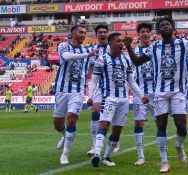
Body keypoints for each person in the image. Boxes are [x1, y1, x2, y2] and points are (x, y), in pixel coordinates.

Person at [123, 16, 188, 173]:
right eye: (162, 25)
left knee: (182, 127)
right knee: (161, 124)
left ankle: (179, 145)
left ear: (173, 28)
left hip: (178, 92)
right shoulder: (155, 46)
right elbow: (137, 62)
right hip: (160, 93)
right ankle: (164, 161)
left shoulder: (183, 43)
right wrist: (129, 47)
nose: (165, 27)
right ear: (158, 30)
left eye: (168, 24)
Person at [87, 33, 149, 168]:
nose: (121, 43)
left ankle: (106, 156)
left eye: (122, 41)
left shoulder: (126, 60)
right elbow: (94, 81)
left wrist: (141, 95)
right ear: (110, 43)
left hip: (124, 99)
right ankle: (97, 154)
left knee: (117, 130)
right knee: (104, 124)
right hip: (109, 97)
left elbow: (131, 81)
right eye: (118, 41)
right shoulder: (101, 60)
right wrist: (90, 96)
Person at [53, 25, 96, 165]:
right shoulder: (63, 46)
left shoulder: (88, 49)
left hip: (78, 91)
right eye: (81, 32)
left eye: (85, 33)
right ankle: (65, 135)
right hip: (62, 89)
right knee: (57, 124)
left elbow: (92, 66)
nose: (84, 35)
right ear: (72, 33)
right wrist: (87, 55)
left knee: (71, 118)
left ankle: (65, 155)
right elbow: (67, 57)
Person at [87, 24, 112, 156]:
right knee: (95, 113)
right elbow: (90, 68)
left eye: (105, 32)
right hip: (97, 86)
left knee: (108, 115)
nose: (103, 34)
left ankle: (114, 142)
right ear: (96, 35)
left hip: (111, 86)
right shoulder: (92, 50)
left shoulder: (112, 47)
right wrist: (89, 83)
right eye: (100, 32)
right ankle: (94, 144)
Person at [132, 23, 155, 166]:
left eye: (148, 31)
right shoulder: (133, 51)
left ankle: (162, 151)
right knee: (139, 122)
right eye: (142, 31)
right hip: (140, 92)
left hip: (157, 92)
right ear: (138, 34)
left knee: (161, 122)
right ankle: (140, 155)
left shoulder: (157, 49)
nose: (145, 33)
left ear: (151, 34)